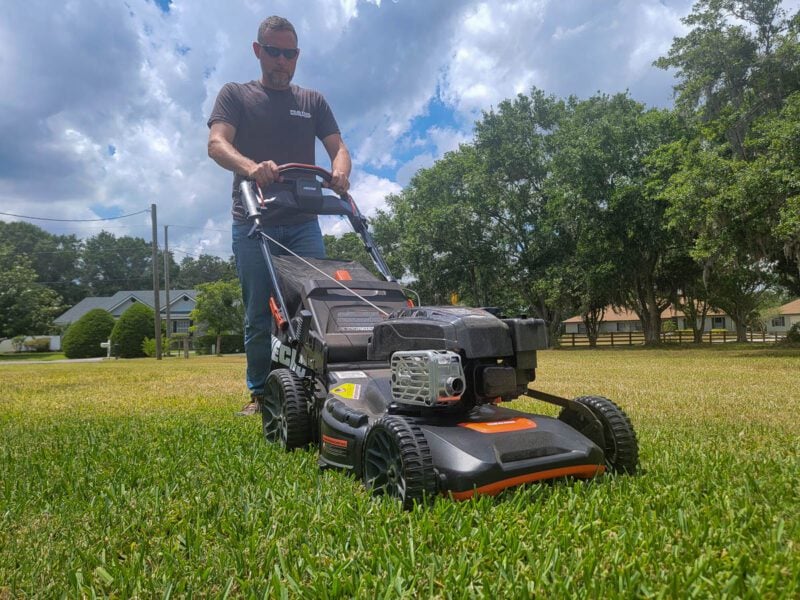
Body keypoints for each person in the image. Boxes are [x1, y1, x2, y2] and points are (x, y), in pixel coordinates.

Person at [207, 15, 351, 415]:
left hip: (304, 221)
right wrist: (252, 168)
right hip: (254, 222)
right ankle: (260, 393)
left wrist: (340, 170)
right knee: (258, 312)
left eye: (289, 54)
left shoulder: (312, 102)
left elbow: (338, 147)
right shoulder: (236, 95)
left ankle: (322, 386)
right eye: (273, 52)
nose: (281, 61)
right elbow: (217, 144)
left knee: (318, 304)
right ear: (258, 51)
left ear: (297, 56)